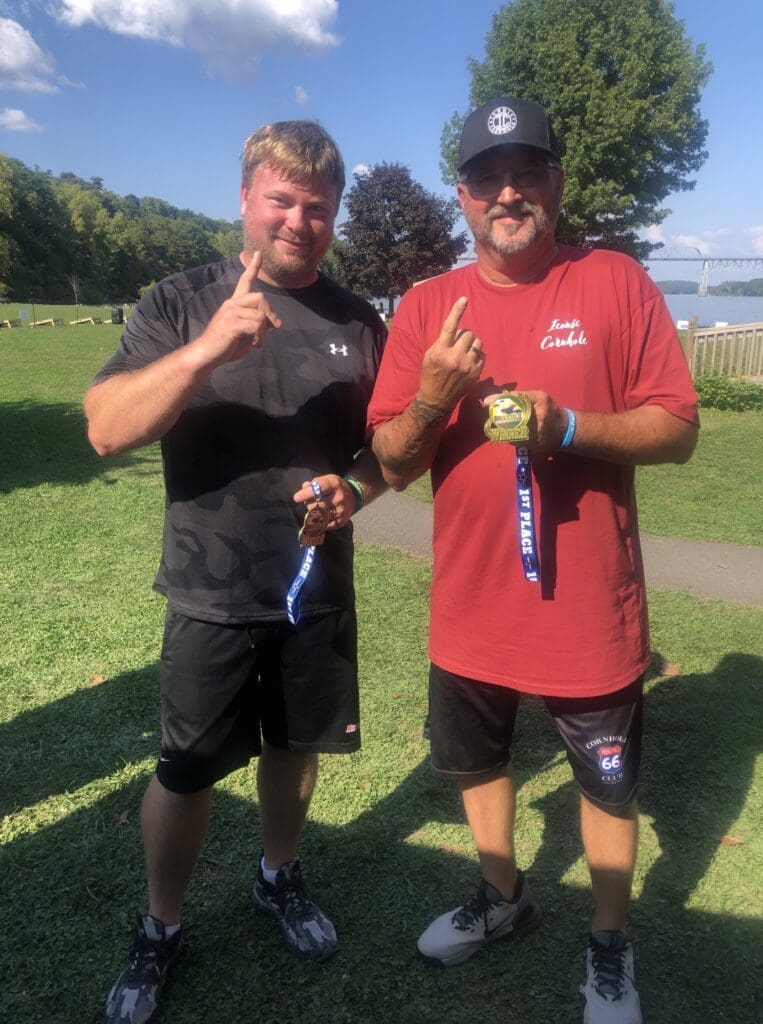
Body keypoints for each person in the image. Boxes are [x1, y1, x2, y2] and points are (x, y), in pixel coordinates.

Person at [367, 96, 699, 1024]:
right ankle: (503, 897)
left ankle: (608, 948)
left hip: (588, 609)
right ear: (462, 197)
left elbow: (677, 427)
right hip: (470, 605)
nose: (506, 192)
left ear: (555, 182)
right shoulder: (428, 306)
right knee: (479, 765)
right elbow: (392, 464)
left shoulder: (615, 282)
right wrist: (433, 396)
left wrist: (571, 427)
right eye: (485, 177)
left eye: (525, 172)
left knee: (605, 784)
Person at [84, 119, 387, 1024]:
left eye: (319, 208)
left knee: (296, 749)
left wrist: (357, 494)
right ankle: (161, 927)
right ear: (246, 198)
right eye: (283, 200)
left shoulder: (359, 323)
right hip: (208, 588)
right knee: (184, 770)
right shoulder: (180, 301)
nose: (300, 220)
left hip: (314, 587)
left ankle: (277, 876)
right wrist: (208, 348)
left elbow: (387, 456)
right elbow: (105, 427)